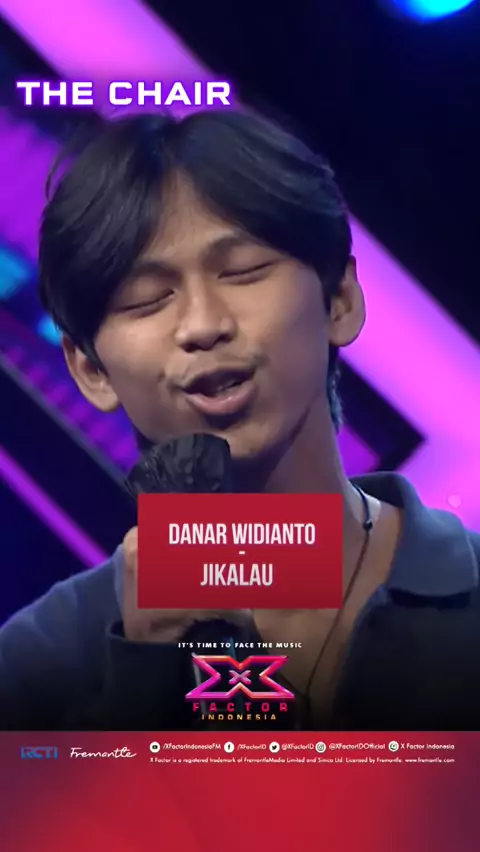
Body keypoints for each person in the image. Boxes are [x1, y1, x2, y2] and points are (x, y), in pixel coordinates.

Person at [0, 109, 479, 732]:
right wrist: (147, 678)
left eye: (244, 271)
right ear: (91, 370)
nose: (203, 325)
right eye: (146, 300)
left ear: (339, 299)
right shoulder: (36, 670)